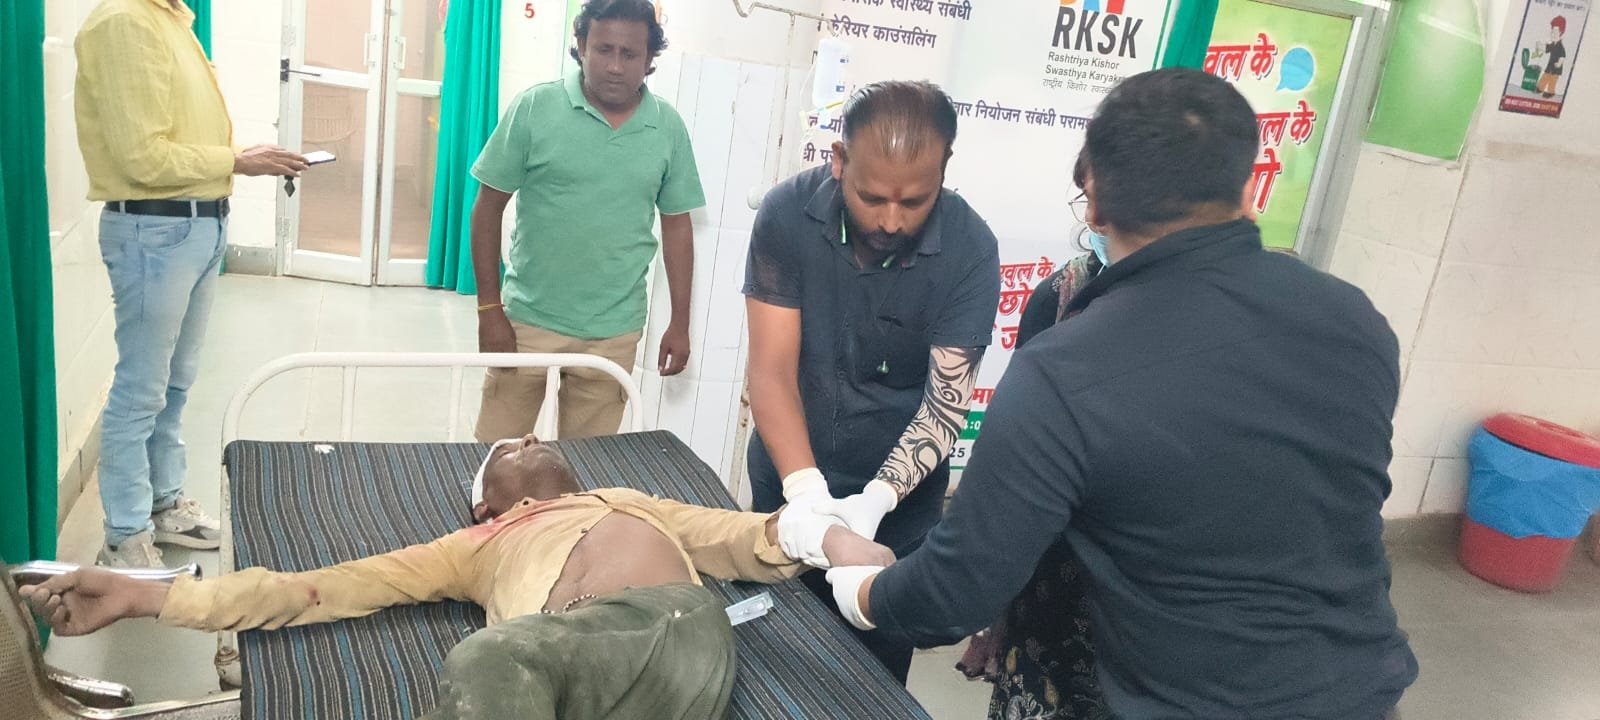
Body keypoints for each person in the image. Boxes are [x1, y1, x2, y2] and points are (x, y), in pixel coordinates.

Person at [827, 68, 1419, 719]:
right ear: (1247, 186)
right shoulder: (1355, 322)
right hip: (1360, 696)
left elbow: (953, 595)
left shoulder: (1069, 370)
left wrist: (861, 583)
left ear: (1096, 203)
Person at [21, 435, 893, 720]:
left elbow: (742, 536)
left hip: (675, 630)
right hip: (593, 677)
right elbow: (318, 586)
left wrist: (832, 539)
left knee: (488, 660)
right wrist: (149, 595)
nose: (531, 437)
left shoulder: (626, 497)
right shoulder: (472, 547)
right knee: (510, 661)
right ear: (490, 503)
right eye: (510, 447)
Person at [744, 80, 1001, 682]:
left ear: (944, 170)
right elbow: (772, 370)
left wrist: (876, 501)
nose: (890, 220)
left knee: (872, 681)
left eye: (914, 202)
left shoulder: (970, 249)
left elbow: (944, 405)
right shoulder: (787, 214)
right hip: (789, 479)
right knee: (768, 662)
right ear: (839, 160)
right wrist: (807, 496)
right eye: (872, 197)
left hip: (898, 514)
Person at [75, 0, 309, 568]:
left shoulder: (172, 18)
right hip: (153, 229)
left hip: (197, 223)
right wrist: (237, 160)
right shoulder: (124, 21)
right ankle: (124, 537)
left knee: (175, 383)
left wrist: (239, 158)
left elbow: (174, 141)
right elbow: (141, 157)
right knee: (141, 390)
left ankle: (163, 504)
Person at [470, 0, 702, 442]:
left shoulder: (667, 128)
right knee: (493, 457)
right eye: (603, 49)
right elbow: (487, 207)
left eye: (629, 54)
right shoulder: (535, 108)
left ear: (650, 59)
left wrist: (679, 322)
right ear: (580, 44)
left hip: (613, 333)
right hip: (527, 321)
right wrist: (489, 310)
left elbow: (677, 226)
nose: (615, 66)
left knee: (588, 470)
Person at [957, 154, 1111, 720]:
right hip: (1052, 581)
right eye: (1085, 199)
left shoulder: (1204, 314)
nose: (1092, 218)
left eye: (1105, 201)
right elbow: (1013, 450)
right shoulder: (1061, 296)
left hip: (1141, 599)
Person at [1536, 15, 1568, 98]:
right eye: (1552, 31)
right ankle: (1540, 88)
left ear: (1560, 32)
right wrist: (1540, 46)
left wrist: (1559, 63)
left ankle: (1551, 92)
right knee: (1545, 76)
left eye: (1555, 32)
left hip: (1556, 68)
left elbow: (1563, 56)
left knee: (1552, 81)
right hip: (1550, 65)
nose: (1552, 34)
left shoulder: (1560, 46)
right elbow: (1547, 48)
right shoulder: (1553, 44)